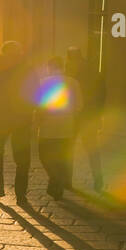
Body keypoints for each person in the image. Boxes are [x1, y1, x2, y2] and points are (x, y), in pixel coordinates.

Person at [0, 40, 34, 204]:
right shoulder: (27, 71)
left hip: (1, 119)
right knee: (22, 158)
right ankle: (20, 194)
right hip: (21, 120)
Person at [35, 55, 83, 199]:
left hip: (46, 128)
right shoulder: (73, 82)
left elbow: (38, 105)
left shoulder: (43, 82)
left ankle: (54, 179)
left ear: (49, 67)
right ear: (62, 67)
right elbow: (79, 105)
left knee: (44, 156)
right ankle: (58, 184)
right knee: (62, 158)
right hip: (66, 128)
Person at [65, 46, 105, 192]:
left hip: (74, 116)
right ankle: (98, 180)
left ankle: (67, 181)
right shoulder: (93, 70)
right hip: (89, 115)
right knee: (92, 149)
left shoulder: (69, 71)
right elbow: (101, 95)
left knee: (69, 149)